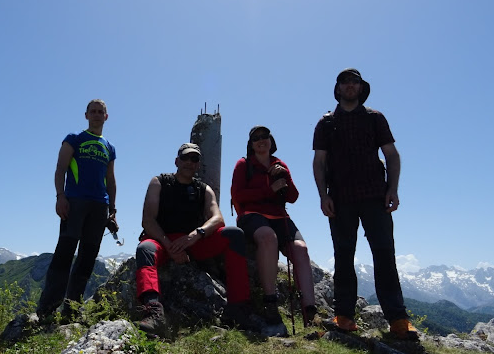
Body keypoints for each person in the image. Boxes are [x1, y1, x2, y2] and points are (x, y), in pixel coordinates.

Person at [312, 68, 417, 339]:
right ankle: (344, 316)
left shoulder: (375, 118)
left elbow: (391, 155)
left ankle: (398, 320)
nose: (349, 86)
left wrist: (393, 189)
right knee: (343, 257)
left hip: (375, 196)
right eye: (345, 82)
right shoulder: (326, 123)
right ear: (338, 88)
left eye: (354, 82)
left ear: (361, 88)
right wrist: (323, 195)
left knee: (384, 255)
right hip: (340, 199)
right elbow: (319, 162)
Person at [135, 143, 257, 336]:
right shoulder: (159, 182)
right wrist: (170, 246)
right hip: (162, 241)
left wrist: (195, 235)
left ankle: (237, 307)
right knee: (145, 250)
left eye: (194, 159)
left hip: (194, 242)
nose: (190, 163)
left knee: (234, 235)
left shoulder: (203, 189)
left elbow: (218, 218)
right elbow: (148, 220)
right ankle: (153, 312)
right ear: (177, 161)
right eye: (185, 158)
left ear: (198, 165)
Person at [37, 99, 117, 323]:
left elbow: (111, 180)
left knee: (87, 259)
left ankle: (71, 310)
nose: (97, 115)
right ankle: (47, 309)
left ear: (106, 117)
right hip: (75, 202)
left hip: (99, 206)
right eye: (93, 111)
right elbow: (60, 168)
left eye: (101, 112)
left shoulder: (109, 147)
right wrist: (60, 196)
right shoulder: (74, 139)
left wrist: (113, 210)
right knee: (64, 254)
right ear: (86, 115)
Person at [231, 126, 317, 327]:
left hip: (279, 216)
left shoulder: (280, 165)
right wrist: (269, 189)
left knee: (300, 249)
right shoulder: (244, 165)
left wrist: (284, 176)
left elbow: (293, 197)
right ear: (251, 144)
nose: (261, 140)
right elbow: (238, 195)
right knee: (268, 237)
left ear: (271, 141)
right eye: (256, 138)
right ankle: (270, 302)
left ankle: (310, 311)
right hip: (251, 215)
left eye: (265, 137)